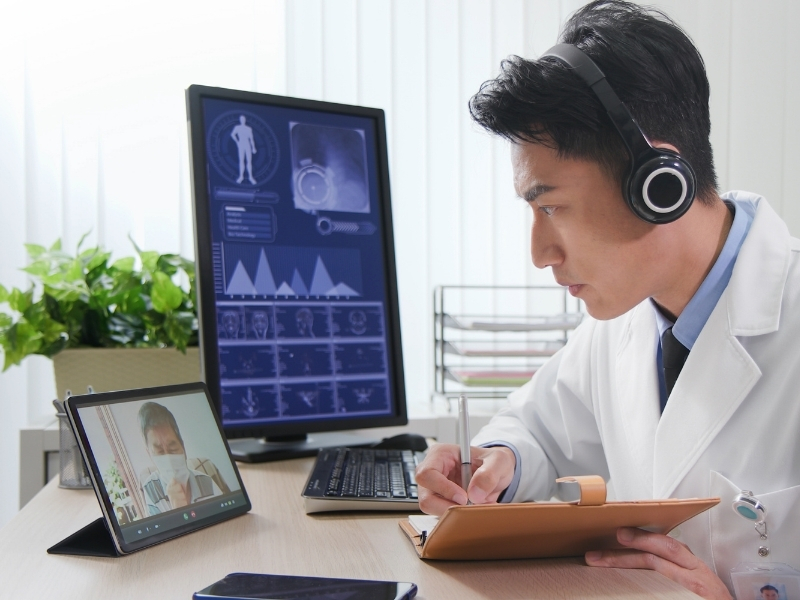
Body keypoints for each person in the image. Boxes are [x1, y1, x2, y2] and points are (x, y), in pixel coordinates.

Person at [415, 2, 800, 599]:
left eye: (552, 207)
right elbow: (536, 428)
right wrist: (499, 464)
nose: (541, 253)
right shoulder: (621, 324)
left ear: (658, 184)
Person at [138, 401, 222, 515]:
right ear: (150, 455)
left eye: (173, 449)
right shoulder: (151, 490)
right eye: (159, 451)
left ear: (183, 447)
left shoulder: (208, 482)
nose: (168, 458)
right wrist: (179, 512)